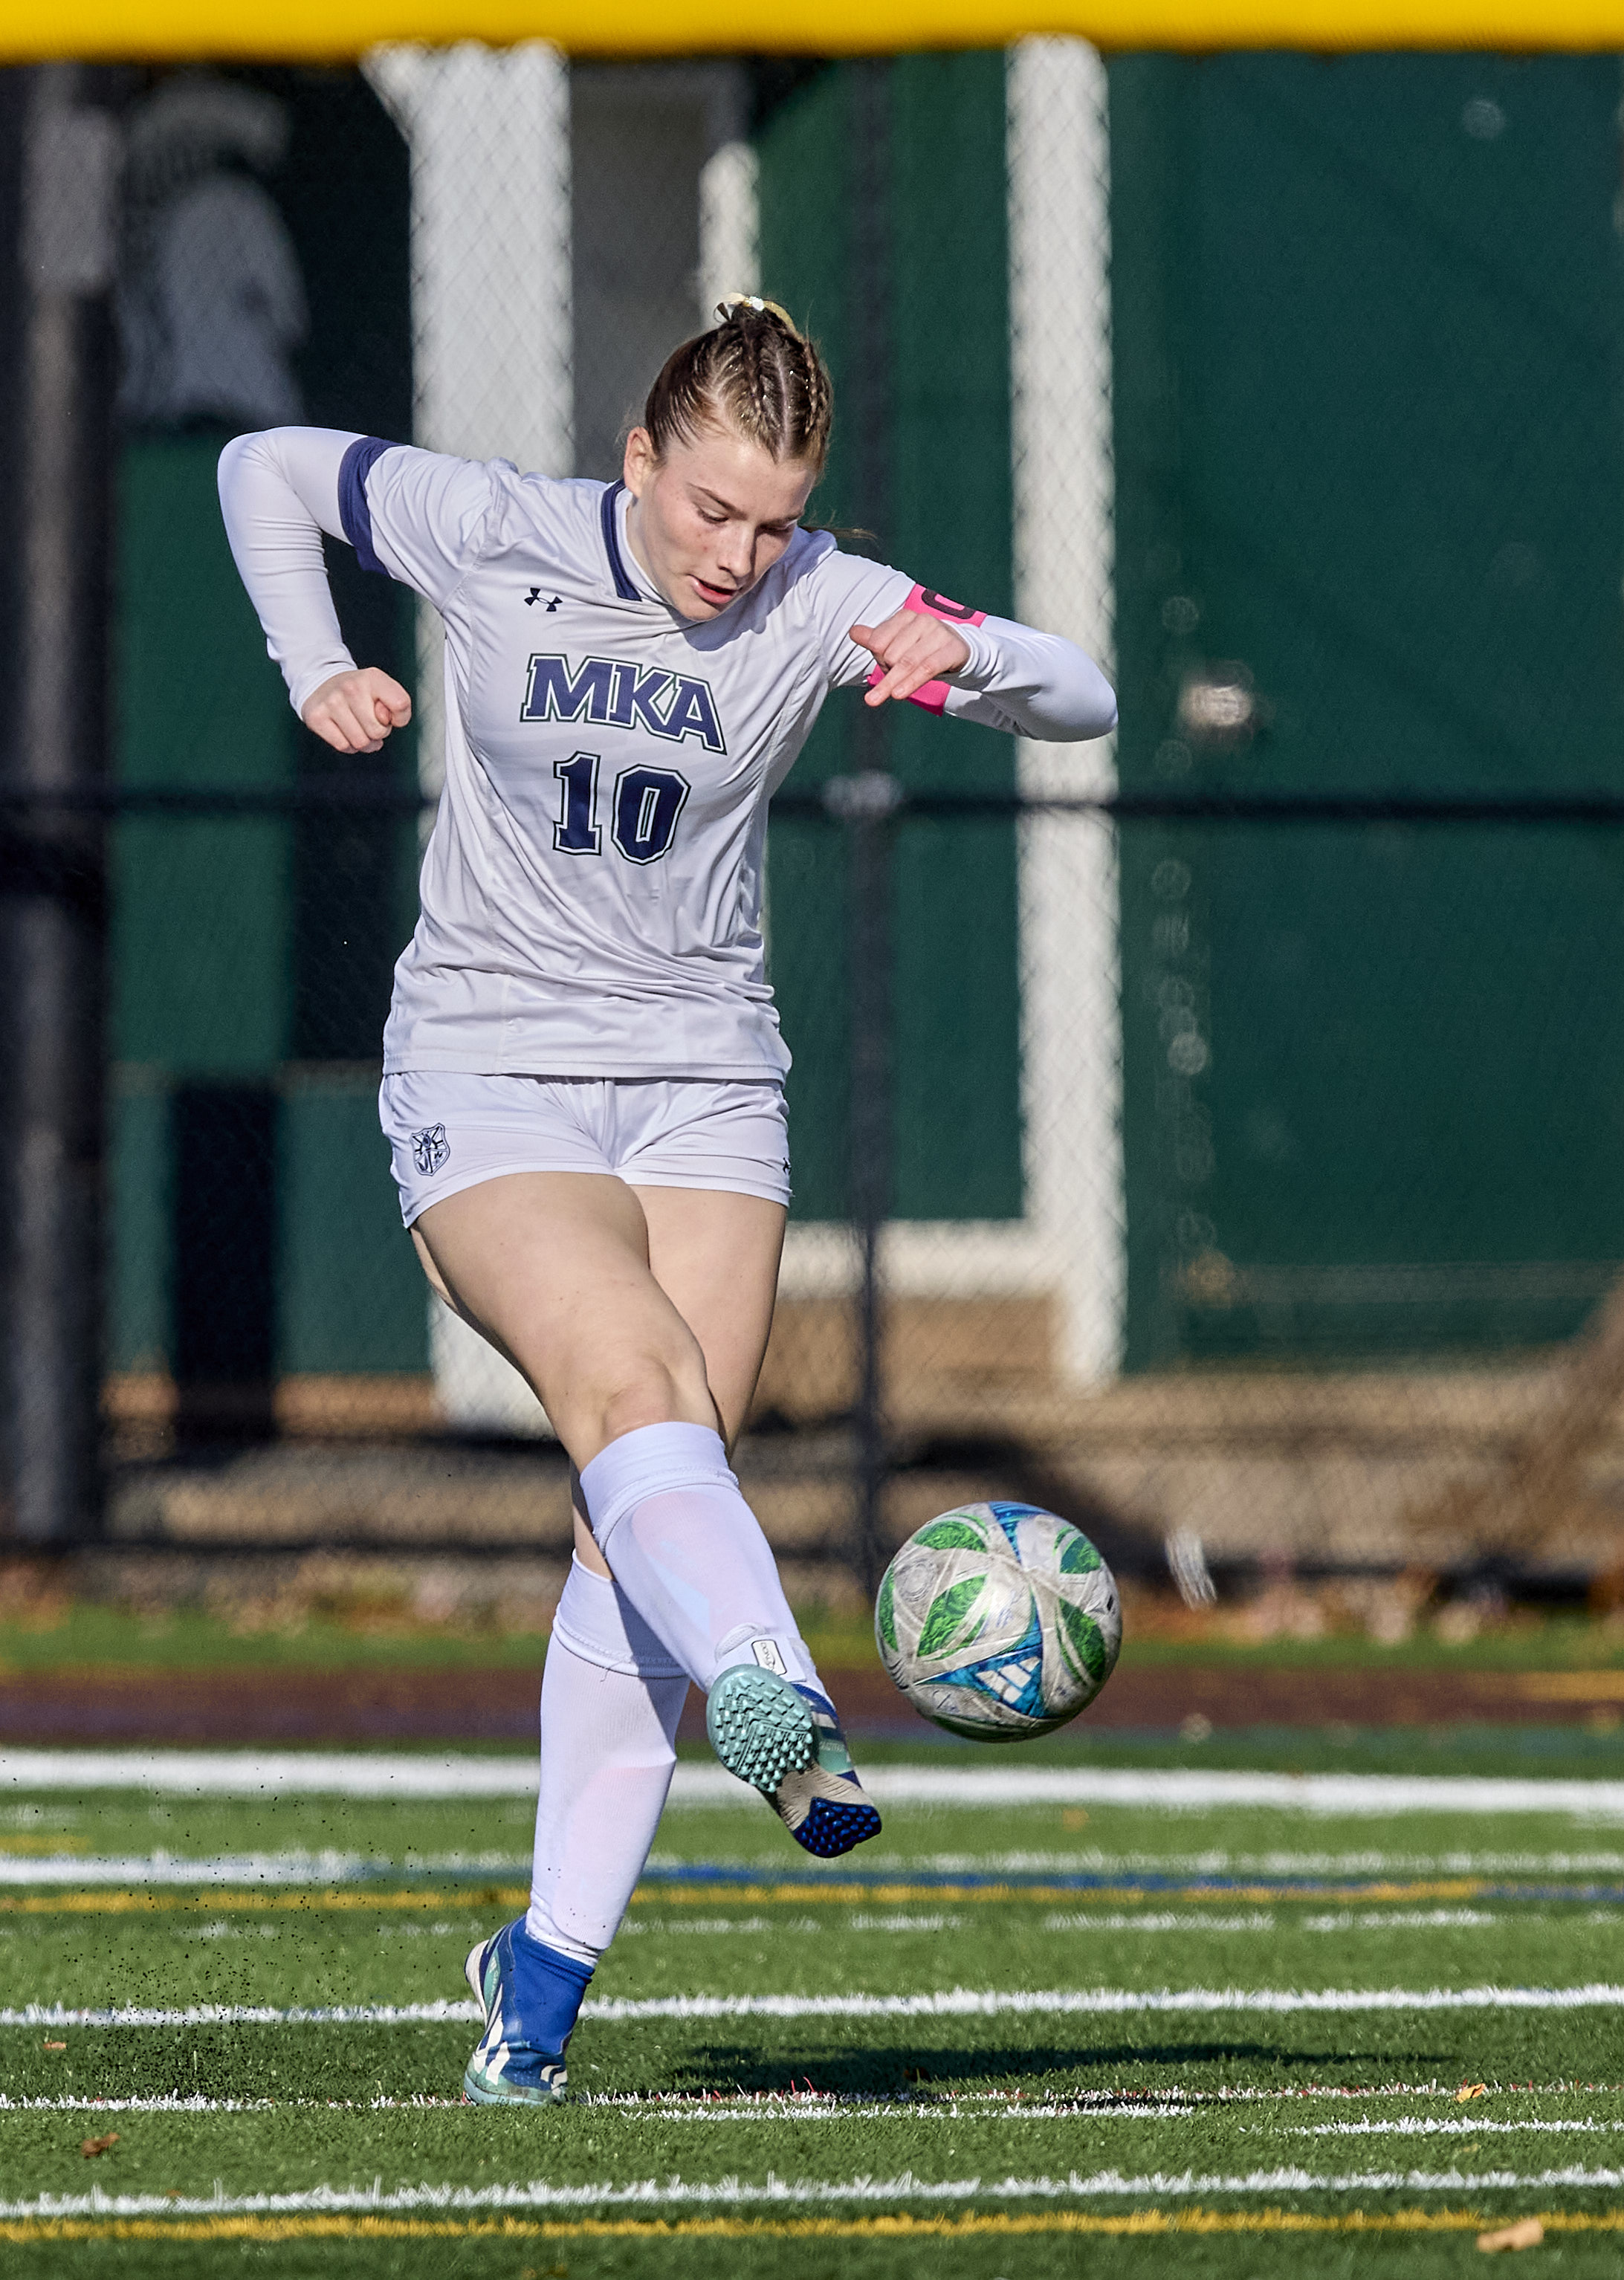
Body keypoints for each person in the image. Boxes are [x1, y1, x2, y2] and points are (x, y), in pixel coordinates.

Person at [216, 299, 1116, 2105]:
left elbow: (1080, 696)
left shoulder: (815, 596)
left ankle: (535, 1987)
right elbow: (263, 468)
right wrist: (311, 659)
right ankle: (780, 1706)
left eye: (773, 521)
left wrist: (959, 657)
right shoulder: (496, 530)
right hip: (488, 1064)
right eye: (709, 507)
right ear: (637, 457)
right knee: (639, 1398)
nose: (738, 555)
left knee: (633, 1525)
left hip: (706, 1079)